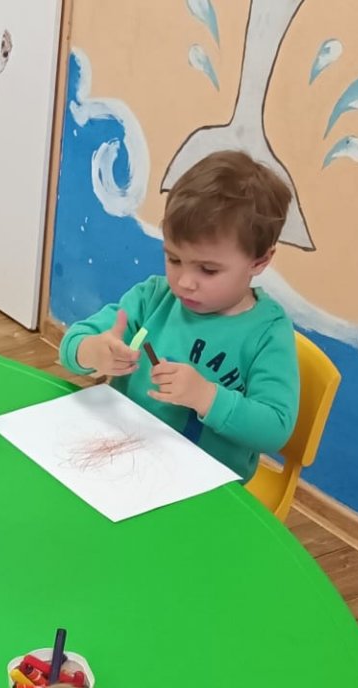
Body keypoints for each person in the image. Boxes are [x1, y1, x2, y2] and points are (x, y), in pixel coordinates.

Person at [60, 150, 301, 480]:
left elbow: (275, 429)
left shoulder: (267, 333)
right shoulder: (152, 298)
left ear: (259, 261)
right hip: (119, 461)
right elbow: (73, 345)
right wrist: (91, 351)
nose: (185, 282)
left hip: (205, 487)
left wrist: (207, 397)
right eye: (174, 260)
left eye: (208, 270)